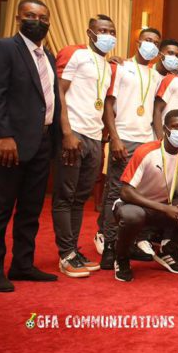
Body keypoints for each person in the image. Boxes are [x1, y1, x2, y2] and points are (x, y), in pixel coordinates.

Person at [0, 0, 61, 291]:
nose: (37, 21)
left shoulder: (47, 56)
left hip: (40, 142)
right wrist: (4, 135)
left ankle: (22, 264)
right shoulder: (3, 48)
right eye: (30, 15)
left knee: (30, 209)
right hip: (9, 144)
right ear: (18, 18)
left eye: (42, 17)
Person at [113, 110, 178, 281]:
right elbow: (126, 192)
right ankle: (121, 259)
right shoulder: (146, 151)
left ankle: (170, 250)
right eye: (176, 127)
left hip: (163, 208)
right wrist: (165, 208)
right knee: (133, 216)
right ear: (166, 128)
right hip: (134, 206)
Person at [52, 14, 116, 278]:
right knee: (65, 196)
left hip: (94, 136)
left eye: (111, 31)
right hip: (74, 133)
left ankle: (73, 250)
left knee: (80, 198)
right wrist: (66, 132)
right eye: (102, 30)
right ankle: (65, 255)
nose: (107, 35)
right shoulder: (77, 55)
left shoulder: (107, 64)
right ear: (90, 33)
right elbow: (61, 92)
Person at [97, 27, 163, 269]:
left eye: (156, 42)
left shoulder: (156, 76)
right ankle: (109, 246)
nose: (151, 45)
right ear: (138, 42)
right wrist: (114, 138)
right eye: (148, 40)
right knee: (115, 193)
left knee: (142, 195)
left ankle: (132, 242)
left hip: (147, 143)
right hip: (123, 138)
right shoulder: (121, 67)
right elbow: (108, 103)